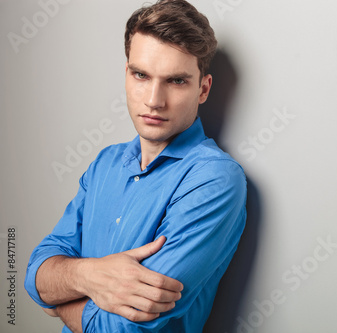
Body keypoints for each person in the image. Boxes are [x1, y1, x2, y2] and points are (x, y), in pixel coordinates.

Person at [24, 1, 247, 332]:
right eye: (141, 75)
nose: (154, 99)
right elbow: (35, 276)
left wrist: (61, 301)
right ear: (127, 74)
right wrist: (90, 276)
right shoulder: (105, 164)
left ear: (203, 89)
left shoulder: (215, 179)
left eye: (176, 81)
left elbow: (122, 329)